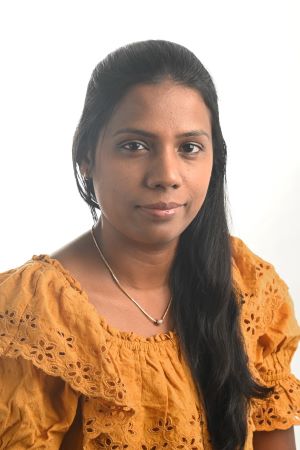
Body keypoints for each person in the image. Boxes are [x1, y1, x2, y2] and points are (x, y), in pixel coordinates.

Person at [0, 40, 299, 450]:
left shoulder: (250, 288)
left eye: (189, 147)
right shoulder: (33, 318)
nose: (166, 175)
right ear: (87, 157)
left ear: (215, 159)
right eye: (135, 146)